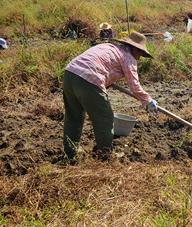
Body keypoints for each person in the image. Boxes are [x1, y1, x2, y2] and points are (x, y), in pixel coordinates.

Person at [59, 31, 158, 163]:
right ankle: (105, 155)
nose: (139, 58)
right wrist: (148, 100)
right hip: (89, 79)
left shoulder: (108, 47)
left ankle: (70, 153)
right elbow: (134, 86)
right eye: (140, 53)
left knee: (74, 116)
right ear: (134, 48)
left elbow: (99, 64)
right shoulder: (128, 57)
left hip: (70, 74)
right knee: (105, 118)